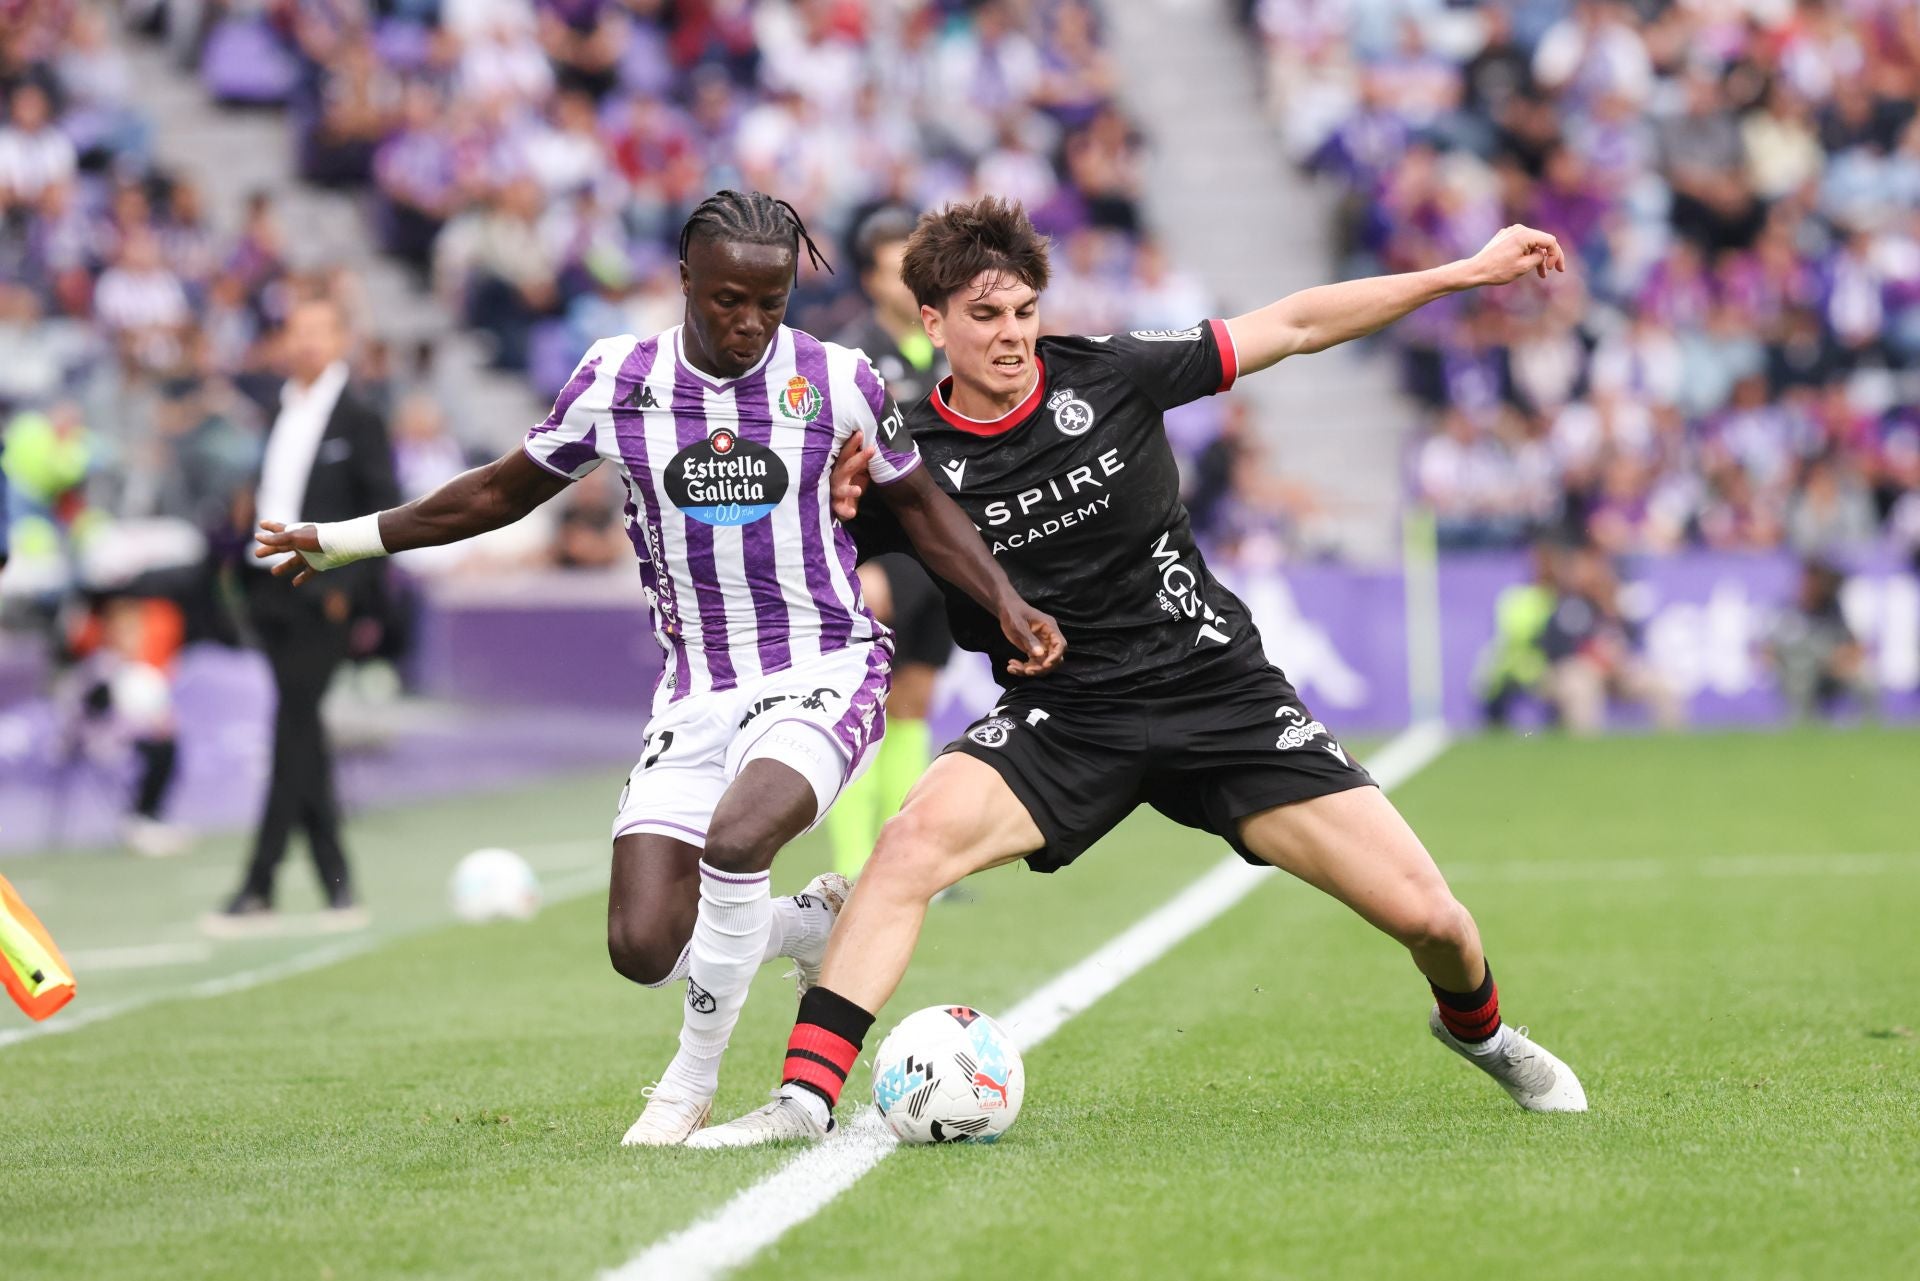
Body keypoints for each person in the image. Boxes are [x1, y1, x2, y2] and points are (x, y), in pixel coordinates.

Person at [694, 198, 1589, 1148]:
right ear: (932, 323)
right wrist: (829, 498)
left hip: (1219, 696)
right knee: (908, 845)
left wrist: (1461, 272)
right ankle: (802, 1101)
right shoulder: (906, 460)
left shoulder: (1113, 373)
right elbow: (785, 546)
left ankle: (1484, 1037)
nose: (1012, 336)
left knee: (1436, 922)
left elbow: (1293, 323)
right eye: (986, 316)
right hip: (1064, 715)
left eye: (1025, 311)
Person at [252, 190, 1064, 1146]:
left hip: (823, 663)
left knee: (739, 835)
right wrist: (347, 541)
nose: (751, 324)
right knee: (644, 946)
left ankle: (689, 1083)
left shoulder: (834, 378)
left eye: (771, 303)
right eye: (729, 301)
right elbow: (499, 494)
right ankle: (806, 925)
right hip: (696, 689)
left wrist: (1005, 599)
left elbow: (922, 507)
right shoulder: (614, 379)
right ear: (685, 281)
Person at [206, 293, 399, 935]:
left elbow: (386, 508)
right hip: (270, 589)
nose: (308, 342)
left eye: (321, 330)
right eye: (298, 330)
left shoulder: (360, 416)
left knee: (292, 724)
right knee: (302, 730)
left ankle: (258, 882)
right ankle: (337, 883)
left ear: (342, 338)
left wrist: (350, 586)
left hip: (324, 592)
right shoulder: (277, 409)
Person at [827, 208, 957, 878]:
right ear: (871, 280)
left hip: (942, 550)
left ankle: (905, 857)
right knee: (865, 701)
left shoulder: (950, 348)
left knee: (914, 700)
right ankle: (854, 864)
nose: (910, 283)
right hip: (874, 548)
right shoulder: (850, 356)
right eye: (893, 269)